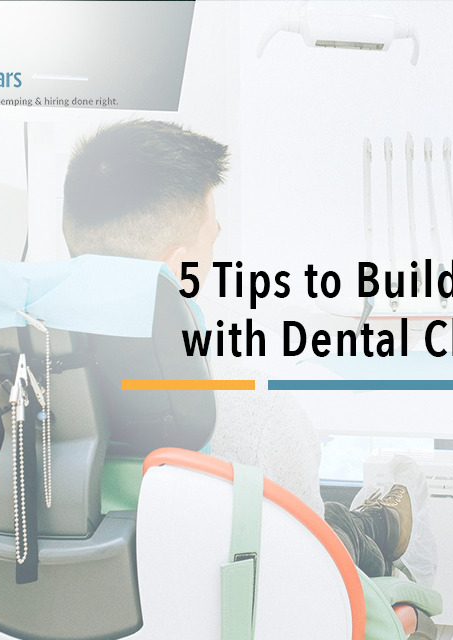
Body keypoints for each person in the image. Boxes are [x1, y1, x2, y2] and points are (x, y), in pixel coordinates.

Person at [61, 118, 412, 579]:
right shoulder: (255, 409)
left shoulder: (2, 391)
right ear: (178, 265)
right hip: (225, 605)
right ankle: (375, 526)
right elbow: (312, 570)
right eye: (212, 238)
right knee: (337, 533)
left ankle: (369, 521)